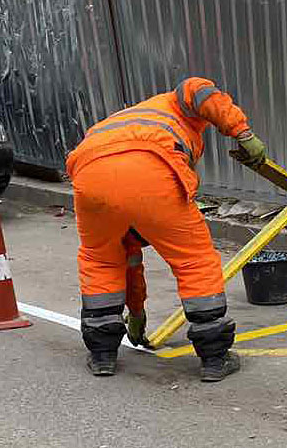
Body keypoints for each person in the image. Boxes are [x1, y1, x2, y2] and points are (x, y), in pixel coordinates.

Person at [66, 77, 267, 382]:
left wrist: (136, 314)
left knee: (102, 260)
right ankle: (215, 358)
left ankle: (102, 355)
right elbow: (198, 88)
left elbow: (130, 260)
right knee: (194, 260)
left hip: (89, 176)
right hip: (150, 166)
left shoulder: (129, 119)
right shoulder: (175, 102)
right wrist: (243, 132)